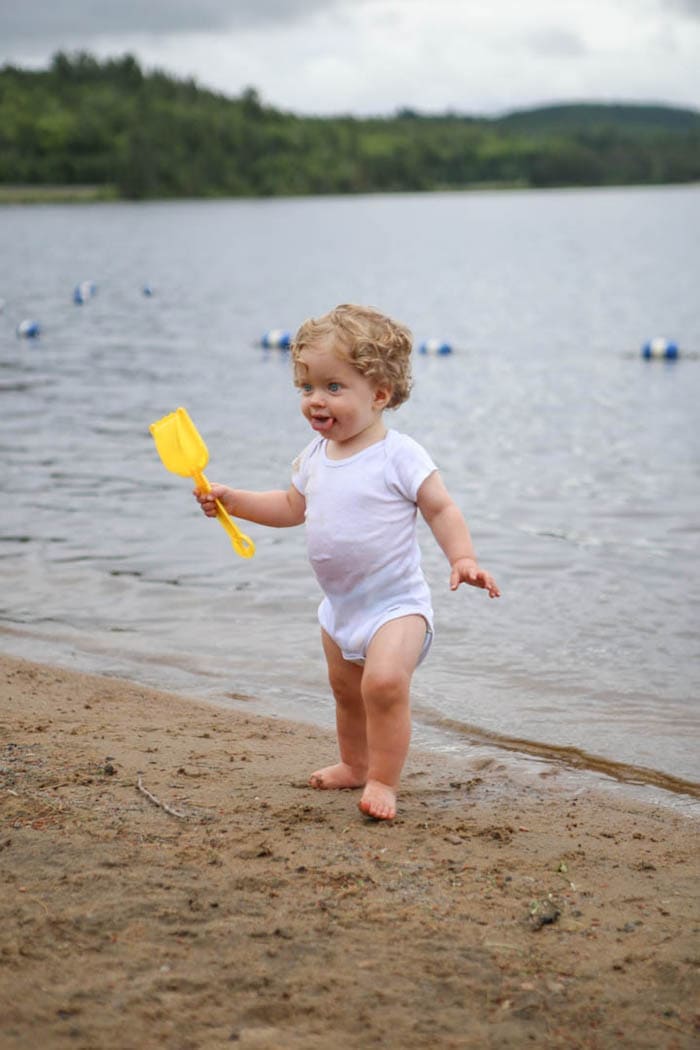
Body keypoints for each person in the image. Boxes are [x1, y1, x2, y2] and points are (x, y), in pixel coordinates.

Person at [195, 304, 499, 821]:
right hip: (339, 610)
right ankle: (354, 764)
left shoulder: (398, 456)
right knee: (345, 690)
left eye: (334, 387)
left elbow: (440, 507)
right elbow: (292, 508)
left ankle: (383, 780)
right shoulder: (314, 456)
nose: (315, 400)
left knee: (381, 686)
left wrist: (463, 557)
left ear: (379, 394)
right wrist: (232, 500)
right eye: (307, 387)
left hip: (396, 607)